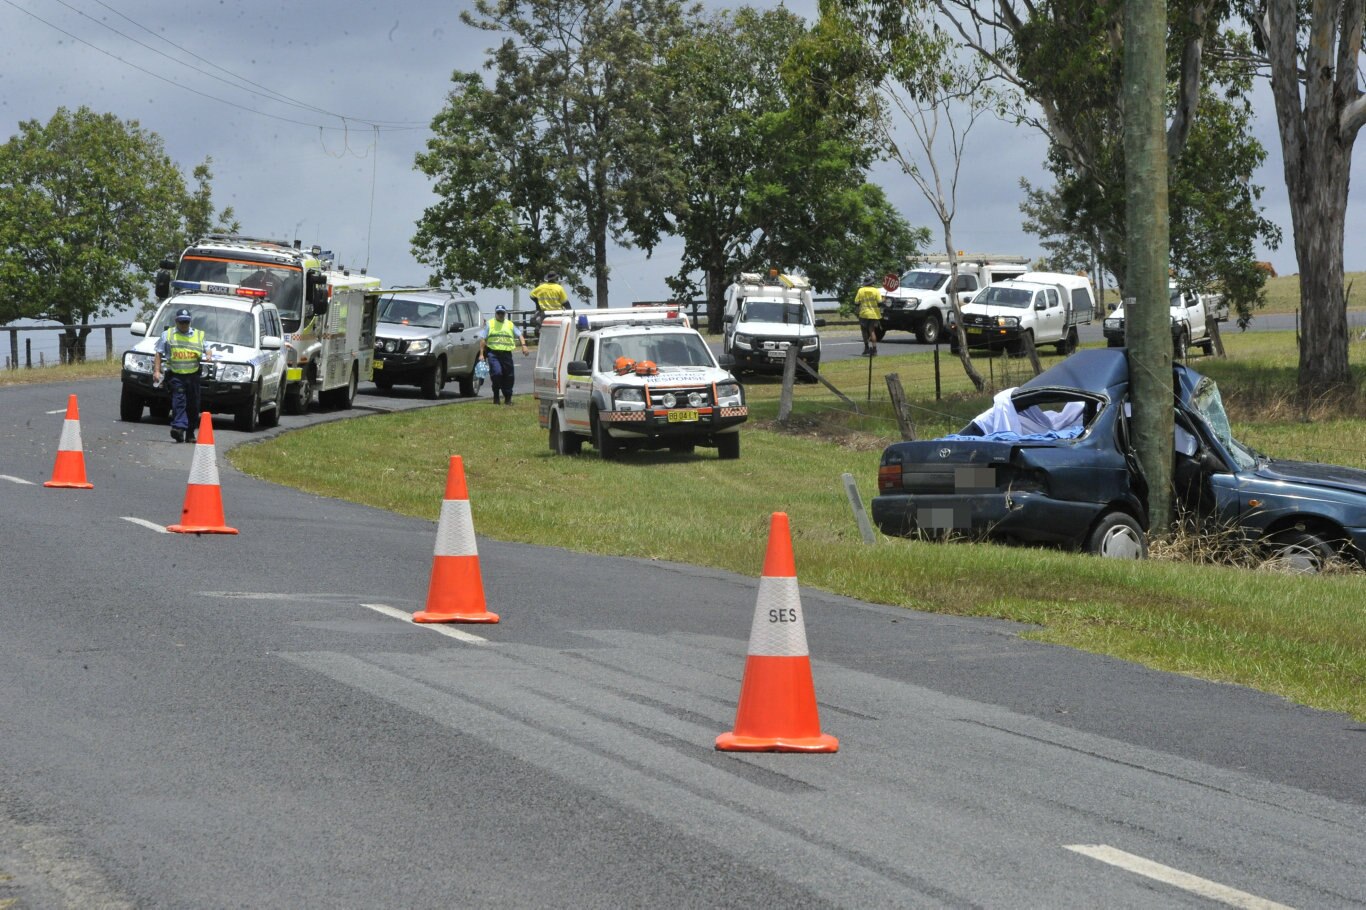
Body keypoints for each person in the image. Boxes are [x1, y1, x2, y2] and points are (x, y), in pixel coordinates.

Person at [152, 308, 213, 442]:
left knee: (193, 405)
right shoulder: (167, 335)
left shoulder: (199, 335)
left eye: (186, 322)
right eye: (181, 322)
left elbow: (207, 349)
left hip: (193, 376)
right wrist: (156, 371)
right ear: (176, 321)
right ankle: (178, 428)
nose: (183, 325)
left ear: (190, 322)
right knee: (179, 402)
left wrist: (208, 356)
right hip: (176, 375)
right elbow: (158, 353)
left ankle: (190, 433)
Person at [478, 305, 529, 405]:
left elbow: (519, 335)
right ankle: (496, 395)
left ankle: (508, 398)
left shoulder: (510, 324)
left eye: (502, 313)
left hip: (506, 355)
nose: (500, 315)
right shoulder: (490, 323)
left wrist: (524, 345)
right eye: (498, 313)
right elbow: (483, 339)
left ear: (505, 314)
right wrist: (481, 354)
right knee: (497, 374)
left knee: (509, 377)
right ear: (495, 313)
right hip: (493, 354)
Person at [855, 276, 885, 356]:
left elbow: (856, 303)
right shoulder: (876, 291)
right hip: (874, 314)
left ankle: (866, 348)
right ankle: (874, 349)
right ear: (872, 283)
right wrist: (883, 300)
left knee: (864, 331)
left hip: (864, 314)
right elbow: (879, 303)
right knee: (872, 331)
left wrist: (857, 313)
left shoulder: (860, 290)